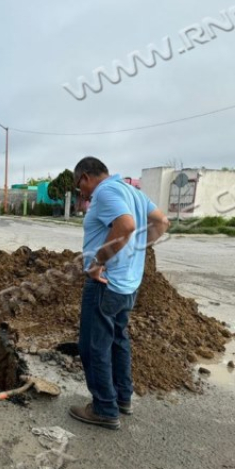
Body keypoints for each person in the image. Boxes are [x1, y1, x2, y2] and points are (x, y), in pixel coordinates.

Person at [69, 156, 169, 430]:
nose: (83, 194)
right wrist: (135, 250)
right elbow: (161, 222)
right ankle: (122, 398)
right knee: (118, 341)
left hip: (105, 284)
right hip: (128, 284)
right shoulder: (131, 191)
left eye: (80, 187)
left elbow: (125, 226)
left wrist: (99, 262)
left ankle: (104, 409)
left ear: (86, 177)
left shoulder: (106, 192)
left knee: (94, 346)